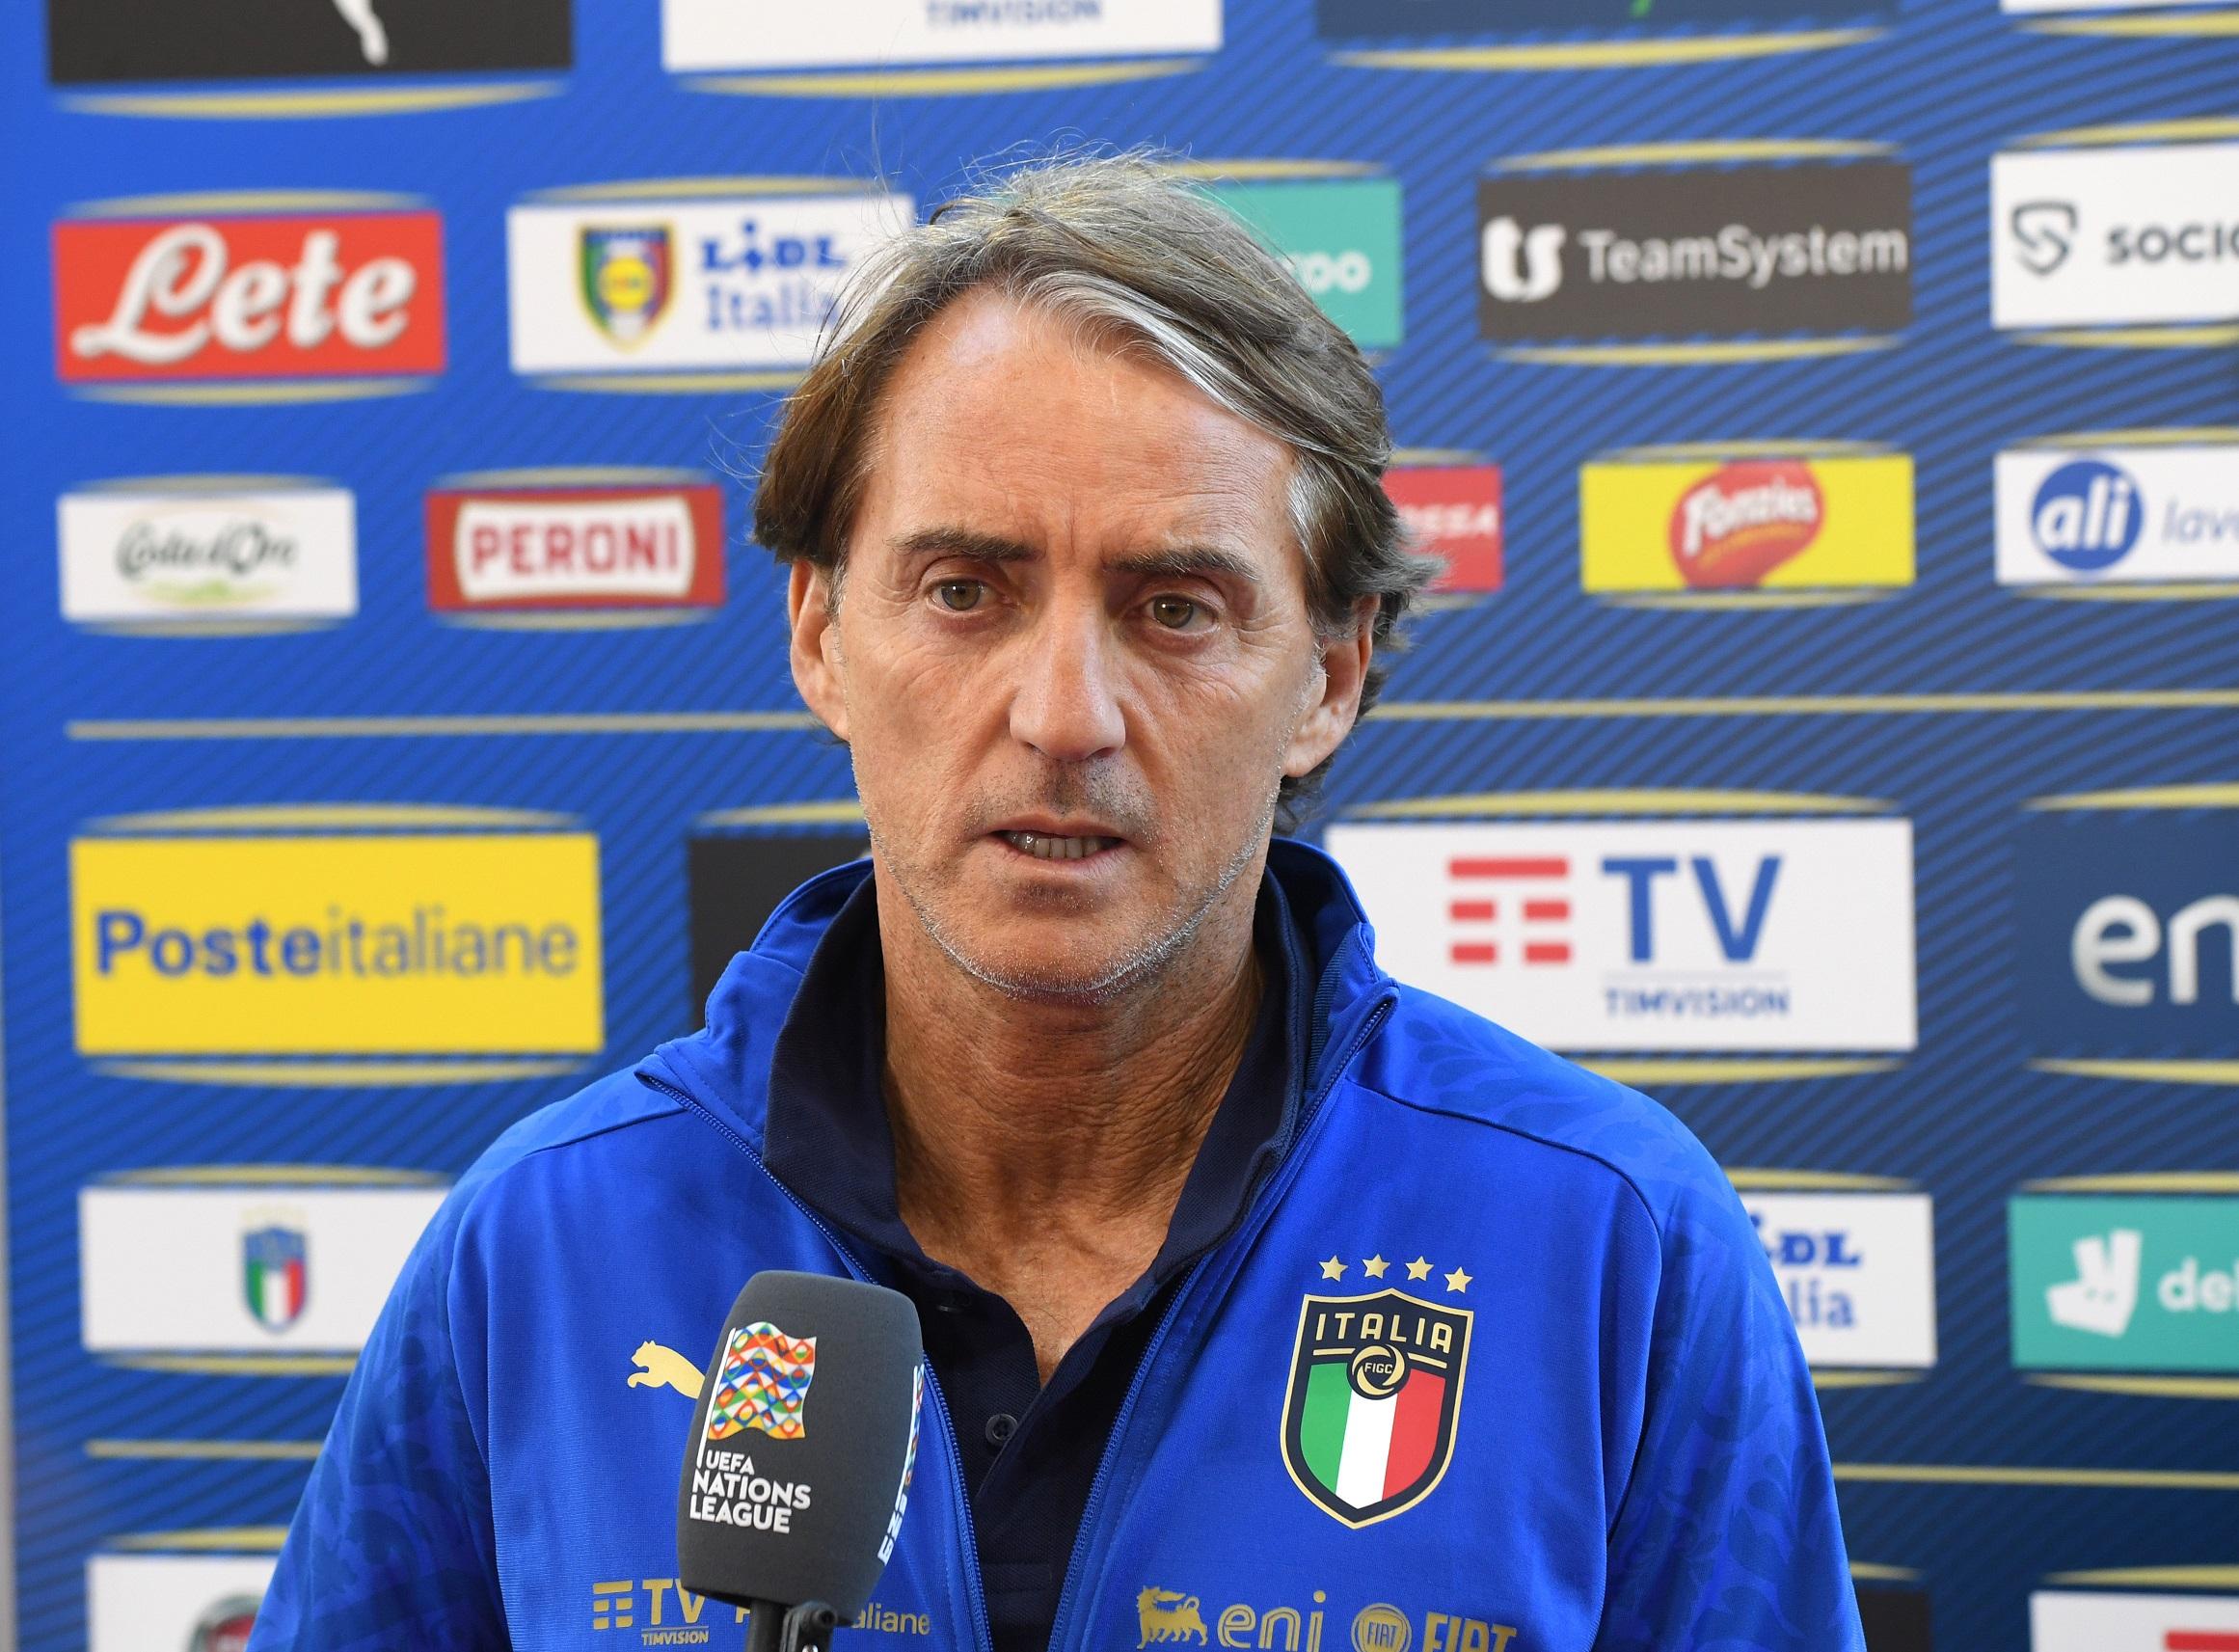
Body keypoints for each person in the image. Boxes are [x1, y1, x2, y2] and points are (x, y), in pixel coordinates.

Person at [249, 152, 1863, 1652]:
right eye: (965, 591)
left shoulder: (1609, 1239)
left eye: (1174, 608)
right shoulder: (540, 1244)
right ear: (819, 636)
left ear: (1327, 677)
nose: (1063, 714)